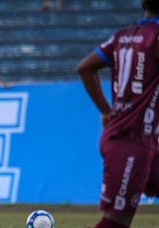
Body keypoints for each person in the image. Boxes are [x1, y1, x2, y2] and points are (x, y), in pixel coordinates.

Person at [77, 0, 159, 227]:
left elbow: (85, 67)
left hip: (134, 137)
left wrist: (106, 110)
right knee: (116, 222)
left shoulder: (122, 36)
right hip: (131, 141)